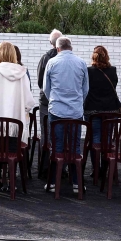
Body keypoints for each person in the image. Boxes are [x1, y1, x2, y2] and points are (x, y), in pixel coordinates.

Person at [0, 41, 36, 192]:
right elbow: (29, 100)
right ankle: (11, 180)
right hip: (16, 121)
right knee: (13, 149)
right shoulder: (22, 73)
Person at [43, 36, 88, 193]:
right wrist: (77, 102)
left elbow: (45, 88)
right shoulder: (81, 63)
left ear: (57, 48)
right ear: (71, 47)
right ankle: (77, 183)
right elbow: (85, 89)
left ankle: (53, 183)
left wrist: (54, 101)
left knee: (56, 147)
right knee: (75, 147)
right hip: (76, 113)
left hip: (57, 112)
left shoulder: (52, 62)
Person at [84, 45, 121, 178]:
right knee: (107, 140)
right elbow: (113, 88)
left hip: (93, 110)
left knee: (95, 140)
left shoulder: (88, 71)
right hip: (111, 110)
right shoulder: (112, 71)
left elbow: (86, 90)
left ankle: (96, 170)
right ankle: (105, 170)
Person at [36, 29, 63, 177]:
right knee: (61, 134)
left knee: (46, 135)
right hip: (62, 102)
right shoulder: (65, 59)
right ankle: (61, 167)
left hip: (46, 102)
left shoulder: (45, 58)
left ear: (50, 43)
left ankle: (45, 167)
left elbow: (41, 81)